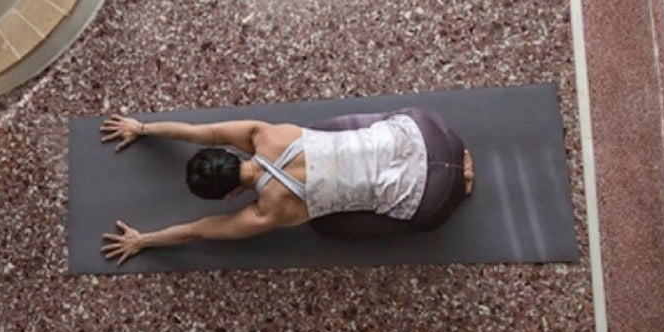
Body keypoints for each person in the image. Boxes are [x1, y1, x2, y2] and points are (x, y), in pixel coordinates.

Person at [99, 108, 475, 265]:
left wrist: (142, 240)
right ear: (230, 153)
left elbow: (198, 232)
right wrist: (142, 127)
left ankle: (457, 181)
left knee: (329, 227)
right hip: (425, 133)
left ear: (230, 195)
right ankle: (455, 164)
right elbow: (199, 133)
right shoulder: (262, 134)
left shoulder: (268, 212)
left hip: (431, 196)